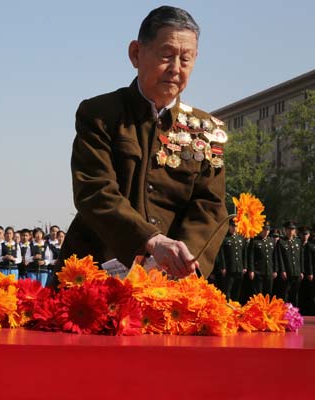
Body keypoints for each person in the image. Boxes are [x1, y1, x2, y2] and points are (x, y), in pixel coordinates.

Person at [54, 6, 227, 284]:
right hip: (96, 273)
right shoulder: (100, 114)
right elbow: (94, 190)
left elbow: (210, 205)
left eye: (186, 59)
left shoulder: (205, 130)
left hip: (171, 281)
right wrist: (150, 240)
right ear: (136, 53)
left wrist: (185, 260)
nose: (175, 68)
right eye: (166, 55)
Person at [277, 221, 303, 307]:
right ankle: (285, 311)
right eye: (289, 229)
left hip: (297, 271)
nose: (291, 231)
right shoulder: (281, 242)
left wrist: (301, 271)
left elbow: (301, 257)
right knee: (285, 293)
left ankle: (294, 311)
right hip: (287, 272)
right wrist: (283, 270)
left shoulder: (298, 241)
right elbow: (280, 257)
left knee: (295, 293)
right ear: (285, 230)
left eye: (292, 229)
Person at [247, 224, 276, 296]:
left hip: (269, 271)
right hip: (258, 271)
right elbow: (251, 256)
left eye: (268, 230)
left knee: (268, 293)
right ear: (261, 230)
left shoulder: (271, 241)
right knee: (258, 293)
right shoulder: (254, 240)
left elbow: (274, 257)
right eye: (264, 230)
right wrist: (251, 270)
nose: (266, 232)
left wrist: (275, 270)